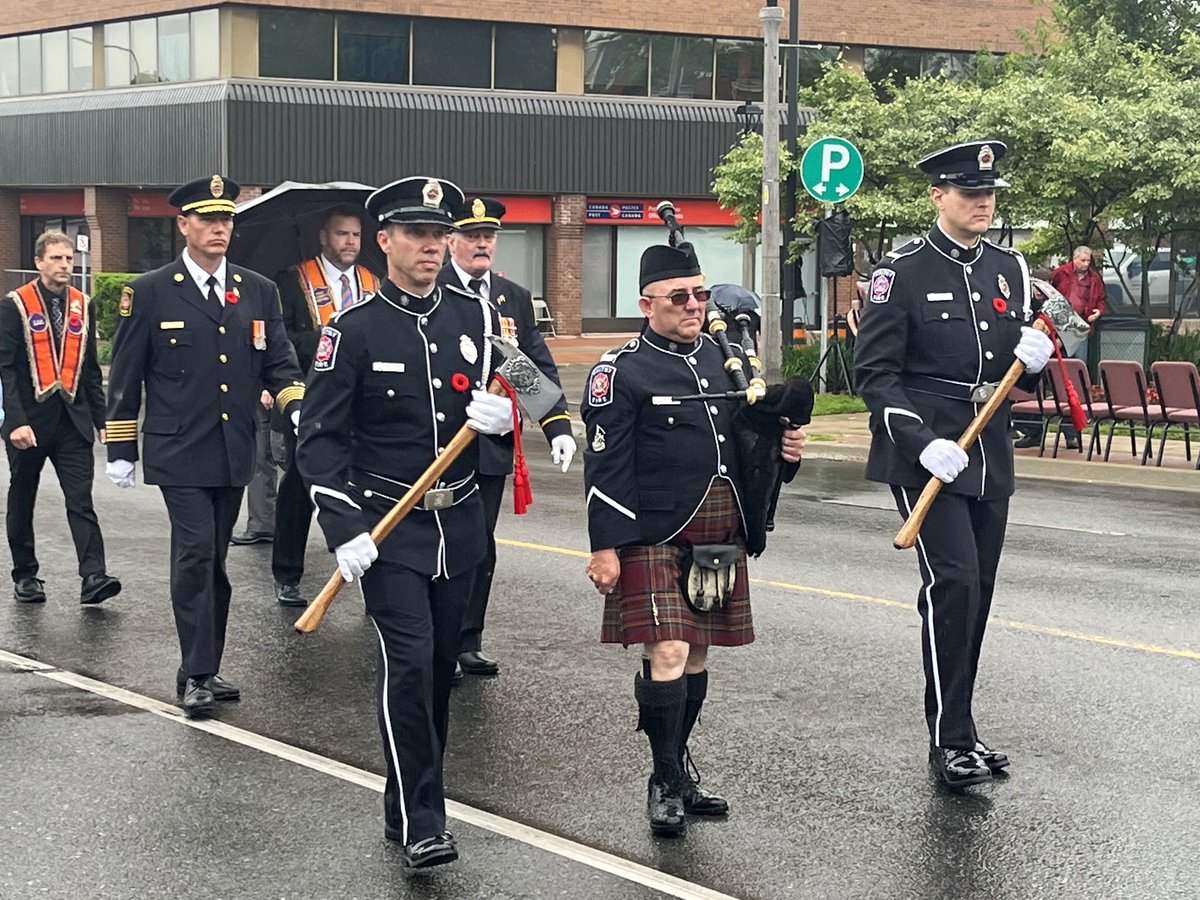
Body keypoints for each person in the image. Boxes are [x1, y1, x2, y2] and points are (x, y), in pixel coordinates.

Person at [295, 176, 512, 869]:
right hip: (390, 529)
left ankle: (404, 801)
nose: (432, 246)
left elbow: (514, 399)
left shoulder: (475, 318)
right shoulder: (351, 329)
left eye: (439, 234)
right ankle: (426, 819)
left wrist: (505, 425)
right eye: (417, 234)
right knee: (410, 666)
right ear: (383, 241)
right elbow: (320, 442)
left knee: (441, 667)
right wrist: (343, 528)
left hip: (461, 525)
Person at [581, 240, 806, 837]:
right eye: (679, 296)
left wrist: (786, 454)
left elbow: (748, 448)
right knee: (671, 652)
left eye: (701, 294)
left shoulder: (723, 360)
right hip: (653, 530)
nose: (693, 305)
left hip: (719, 528)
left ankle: (679, 768)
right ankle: (662, 779)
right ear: (646, 303)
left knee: (698, 651)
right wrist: (605, 547)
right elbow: (606, 466)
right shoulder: (619, 370)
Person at [854, 141, 1056, 787]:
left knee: (979, 593)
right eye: (969, 193)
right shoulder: (901, 273)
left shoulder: (1008, 267)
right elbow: (875, 376)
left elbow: (1014, 360)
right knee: (955, 585)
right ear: (938, 196)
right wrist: (918, 442)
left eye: (989, 194)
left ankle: (962, 726)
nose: (983, 203)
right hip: (928, 448)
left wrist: (1037, 356)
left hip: (987, 444)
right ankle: (949, 741)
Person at [104, 175, 306, 718]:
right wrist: (121, 445)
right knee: (194, 553)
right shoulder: (149, 291)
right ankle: (195, 673)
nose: (220, 229)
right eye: (208, 220)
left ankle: (205, 665)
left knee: (214, 560)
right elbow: (125, 374)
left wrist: (297, 407)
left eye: (227, 220)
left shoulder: (257, 290)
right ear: (184, 226)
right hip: (178, 450)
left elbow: (281, 363)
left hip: (234, 447)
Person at [437, 196, 575, 677]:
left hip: (491, 442)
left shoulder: (510, 296)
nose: (481, 243)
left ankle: (465, 639)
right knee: (438, 542)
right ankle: (431, 636)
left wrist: (555, 422)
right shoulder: (431, 288)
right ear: (450, 240)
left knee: (479, 542)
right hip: (438, 444)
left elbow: (529, 362)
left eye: (489, 236)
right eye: (471, 235)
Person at [0, 231, 121, 606]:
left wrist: (102, 420)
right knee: (23, 495)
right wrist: (14, 421)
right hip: (29, 422)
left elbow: (88, 370)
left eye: (69, 259)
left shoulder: (83, 305)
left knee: (80, 499)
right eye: (56, 258)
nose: (65, 265)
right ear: (38, 262)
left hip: (73, 420)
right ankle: (25, 575)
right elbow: (6, 368)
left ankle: (93, 576)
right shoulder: (14, 305)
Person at [269, 205, 381, 606]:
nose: (349, 242)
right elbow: (281, 341)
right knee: (301, 490)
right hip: (312, 400)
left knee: (370, 493)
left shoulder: (374, 281)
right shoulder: (292, 280)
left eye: (354, 235)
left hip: (364, 406)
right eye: (341, 234)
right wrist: (329, 340)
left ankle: (375, 580)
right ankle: (287, 574)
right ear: (323, 237)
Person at [229, 393, 277, 545]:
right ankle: (262, 524)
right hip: (258, 392)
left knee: (285, 455)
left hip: (289, 390)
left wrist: (269, 387)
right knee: (259, 455)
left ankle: (340, 527)